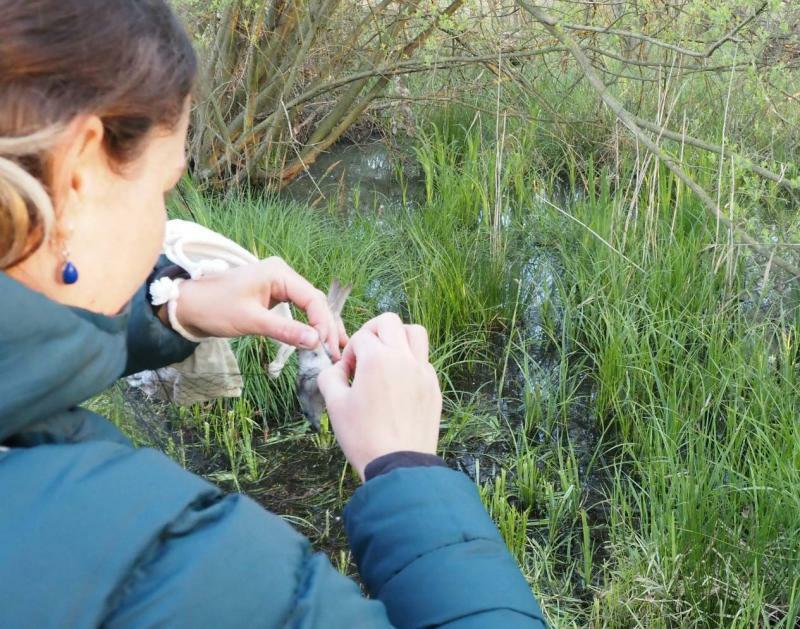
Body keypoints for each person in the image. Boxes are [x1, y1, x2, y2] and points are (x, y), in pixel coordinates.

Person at [0, 1, 546, 627]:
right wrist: (407, 469)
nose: (161, 224)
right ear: (79, 172)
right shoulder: (174, 570)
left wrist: (175, 308)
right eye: (164, 186)